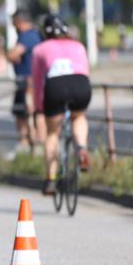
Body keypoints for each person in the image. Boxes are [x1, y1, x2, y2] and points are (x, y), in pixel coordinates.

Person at [32, 14, 92, 196]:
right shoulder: (79, 46)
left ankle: (50, 179)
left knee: (52, 134)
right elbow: (86, 71)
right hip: (80, 84)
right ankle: (81, 148)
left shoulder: (40, 49)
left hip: (56, 86)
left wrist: (39, 108)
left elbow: (36, 81)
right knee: (79, 116)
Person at [5, 9, 45, 159]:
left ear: (20, 22)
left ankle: (26, 144)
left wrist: (9, 55)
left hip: (28, 83)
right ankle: (37, 145)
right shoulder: (37, 35)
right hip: (35, 81)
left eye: (14, 24)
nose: (14, 27)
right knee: (34, 113)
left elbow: (14, 54)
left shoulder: (27, 36)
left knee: (25, 113)